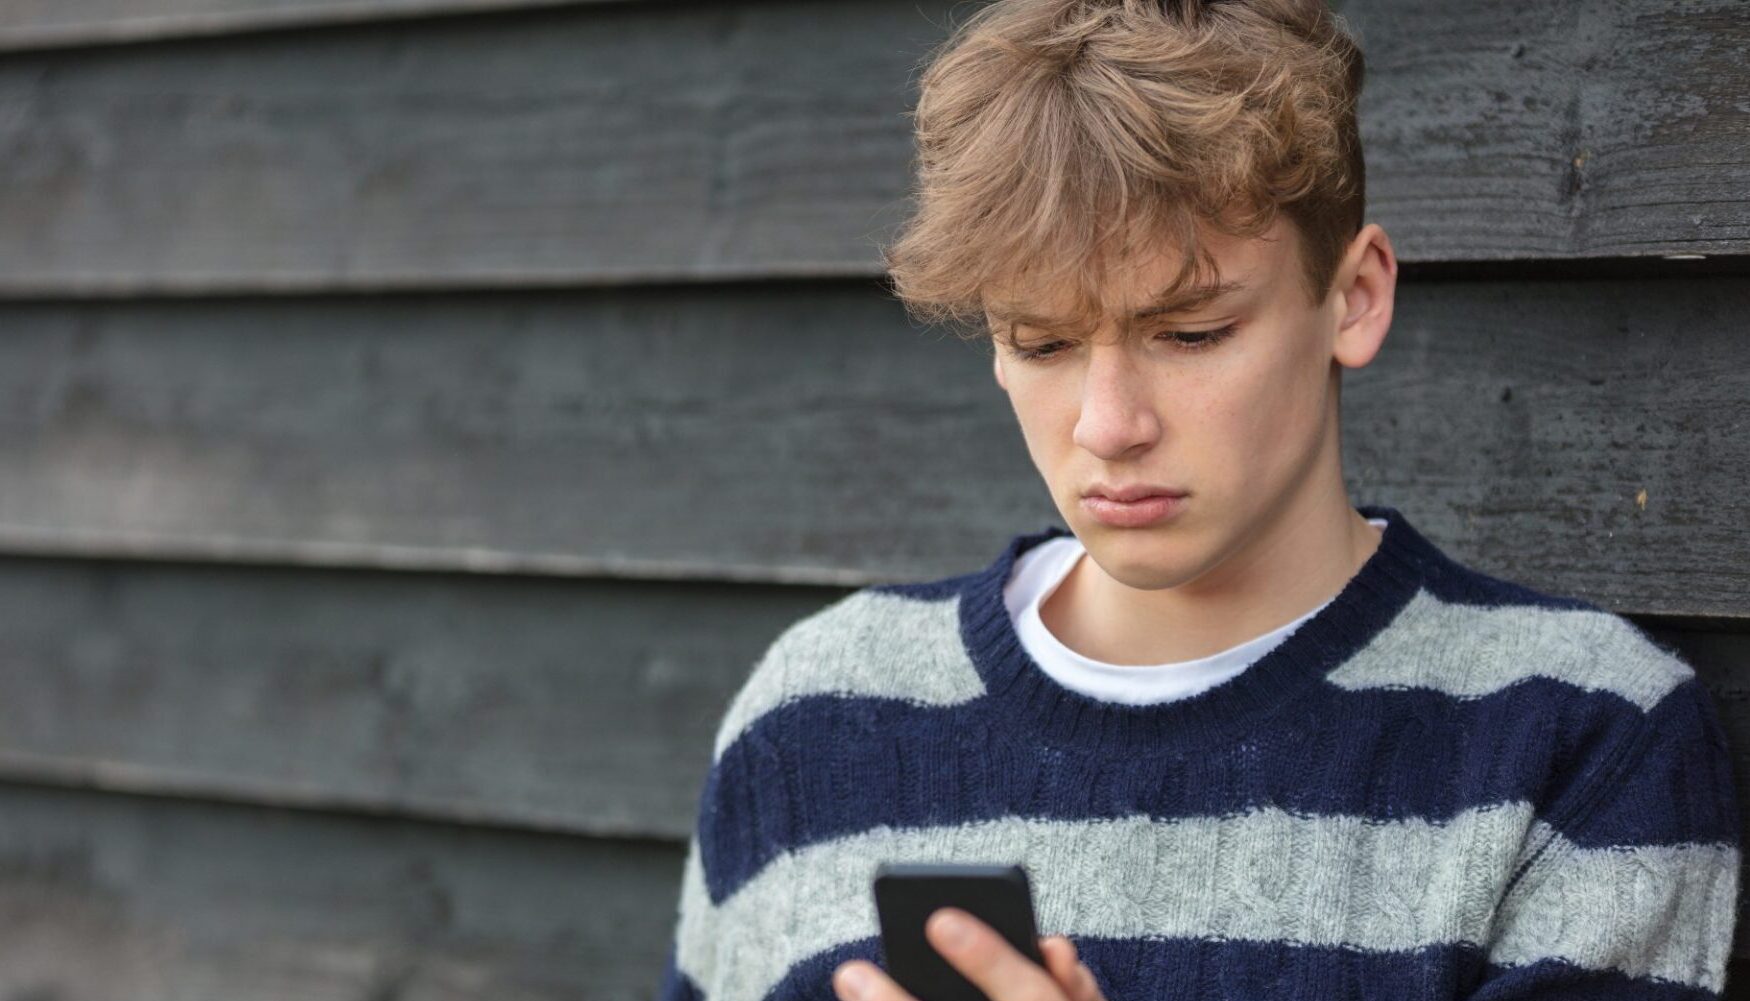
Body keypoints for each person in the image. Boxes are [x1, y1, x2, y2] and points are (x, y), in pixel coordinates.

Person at [658, 0, 1742, 998]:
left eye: (1189, 332)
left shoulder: (1578, 739)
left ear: (1352, 298)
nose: (1107, 422)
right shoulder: (815, 718)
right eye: (1039, 341)